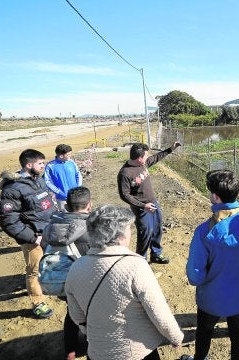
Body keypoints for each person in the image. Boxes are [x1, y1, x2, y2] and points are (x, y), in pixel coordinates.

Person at [65, 205, 184, 360]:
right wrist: (175, 337)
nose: (130, 232)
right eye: (129, 228)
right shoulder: (135, 266)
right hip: (135, 352)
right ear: (119, 236)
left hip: (96, 352)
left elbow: (76, 314)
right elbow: (158, 311)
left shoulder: (76, 267)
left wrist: (93, 332)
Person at [183, 170, 239, 360]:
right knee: (237, 333)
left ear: (216, 197)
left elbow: (195, 276)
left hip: (211, 299)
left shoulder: (204, 231)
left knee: (204, 332)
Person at [0, 148, 57, 319]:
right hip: (33, 238)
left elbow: (46, 204)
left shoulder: (38, 180)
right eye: (40, 163)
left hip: (49, 231)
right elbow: (9, 221)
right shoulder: (12, 189)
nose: (43, 166)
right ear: (28, 165)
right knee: (33, 271)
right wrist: (33, 238)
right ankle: (38, 303)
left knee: (50, 263)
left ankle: (47, 286)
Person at [42, 186, 92, 360]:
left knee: (72, 312)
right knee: (90, 313)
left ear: (67, 206)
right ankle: (92, 343)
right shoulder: (90, 229)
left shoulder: (52, 225)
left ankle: (70, 349)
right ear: (89, 205)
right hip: (84, 281)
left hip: (59, 279)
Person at [117, 142, 181, 264]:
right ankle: (141, 260)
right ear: (139, 158)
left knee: (157, 229)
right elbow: (124, 195)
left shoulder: (143, 164)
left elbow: (156, 157)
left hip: (153, 203)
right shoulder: (125, 173)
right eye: (146, 156)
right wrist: (143, 206)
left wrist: (171, 148)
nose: (148, 157)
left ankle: (156, 254)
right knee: (145, 233)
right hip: (141, 208)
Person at [45, 144, 83, 211]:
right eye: (68, 155)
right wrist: (59, 192)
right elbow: (48, 182)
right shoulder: (50, 166)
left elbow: (78, 175)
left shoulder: (71, 162)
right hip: (61, 198)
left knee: (78, 214)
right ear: (61, 156)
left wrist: (78, 188)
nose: (70, 156)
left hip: (75, 196)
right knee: (65, 217)